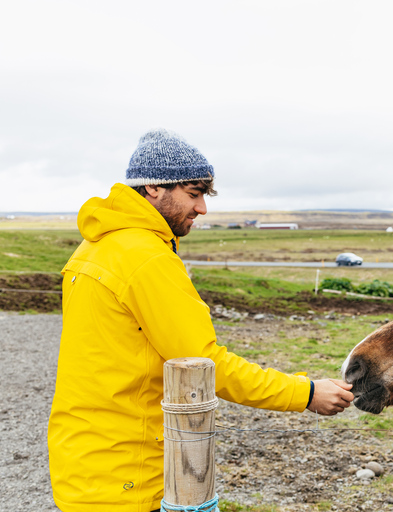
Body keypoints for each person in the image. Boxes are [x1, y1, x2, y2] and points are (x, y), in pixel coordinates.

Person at [47, 128, 354, 512]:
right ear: (154, 188)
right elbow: (205, 365)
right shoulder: (146, 258)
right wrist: (306, 393)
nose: (203, 209)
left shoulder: (95, 246)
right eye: (194, 194)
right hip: (130, 474)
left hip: (83, 462)